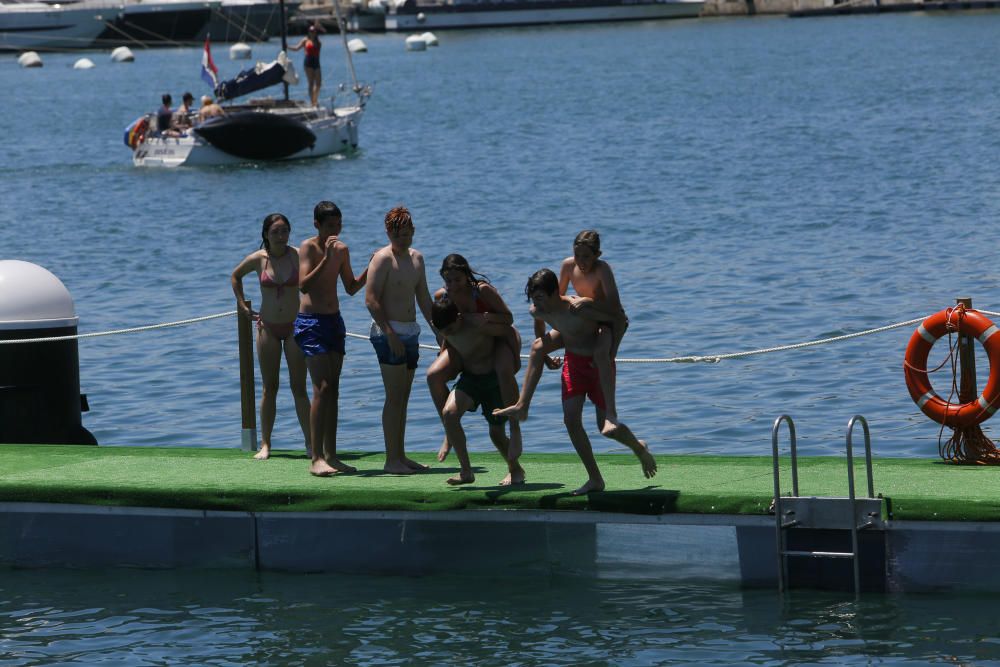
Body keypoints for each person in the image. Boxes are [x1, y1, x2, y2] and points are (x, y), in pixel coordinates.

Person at [493, 269, 655, 496]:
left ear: (554, 294)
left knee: (607, 430)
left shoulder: (577, 308)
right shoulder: (537, 311)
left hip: (597, 366)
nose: (536, 304)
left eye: (540, 298)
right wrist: (547, 354)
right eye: (533, 298)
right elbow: (540, 324)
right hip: (573, 364)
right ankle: (594, 478)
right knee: (570, 419)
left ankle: (637, 446)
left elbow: (620, 319)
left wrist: (610, 351)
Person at [522, 230, 628, 436]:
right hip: (580, 320)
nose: (581, 261)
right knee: (537, 347)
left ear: (597, 254)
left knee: (601, 355)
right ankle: (522, 404)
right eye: (577, 255)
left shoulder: (602, 269)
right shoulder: (568, 265)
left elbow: (615, 308)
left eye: (586, 256)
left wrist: (587, 301)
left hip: (605, 320)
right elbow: (556, 300)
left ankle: (611, 414)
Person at [295, 201, 368, 477]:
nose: (335, 231)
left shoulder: (342, 250)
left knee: (333, 389)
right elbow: (303, 284)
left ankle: (332, 455)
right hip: (311, 323)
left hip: (334, 321)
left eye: (338, 225)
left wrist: (369, 270)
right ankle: (315, 457)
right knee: (321, 388)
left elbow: (350, 288)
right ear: (317, 225)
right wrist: (326, 257)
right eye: (329, 226)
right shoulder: (308, 248)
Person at [231, 213, 312, 461]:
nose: (280, 236)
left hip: (293, 327)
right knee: (270, 387)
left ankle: (311, 444)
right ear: (266, 234)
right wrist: (243, 306)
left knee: (299, 387)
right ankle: (265, 444)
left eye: (284, 231)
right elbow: (235, 276)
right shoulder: (258, 259)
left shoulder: (298, 255)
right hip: (267, 327)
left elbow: (315, 279)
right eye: (275, 231)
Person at [365, 205, 439, 474]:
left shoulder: (417, 259)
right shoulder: (382, 259)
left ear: (414, 232)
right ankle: (390, 460)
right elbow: (371, 301)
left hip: (411, 331)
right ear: (388, 233)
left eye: (407, 235)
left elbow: (424, 299)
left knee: (404, 398)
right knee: (394, 398)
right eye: (398, 236)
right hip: (389, 333)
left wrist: (439, 333)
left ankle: (401, 455)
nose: (403, 240)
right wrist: (390, 334)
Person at [428, 254, 522, 463]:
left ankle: (515, 429)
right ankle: (449, 432)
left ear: (466, 275)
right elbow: (447, 330)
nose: (453, 285)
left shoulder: (481, 291)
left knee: (504, 369)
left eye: (457, 280)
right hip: (466, 343)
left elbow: (508, 319)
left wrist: (486, 317)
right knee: (433, 375)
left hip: (498, 337)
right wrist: (443, 350)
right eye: (448, 280)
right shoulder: (443, 296)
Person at [430, 294, 526, 486]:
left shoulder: (477, 324)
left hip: (494, 381)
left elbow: (508, 332)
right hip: (470, 379)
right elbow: (448, 338)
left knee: (496, 434)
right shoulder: (447, 329)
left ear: (458, 318)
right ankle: (466, 471)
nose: (448, 334)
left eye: (450, 329)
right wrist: (443, 353)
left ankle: (515, 470)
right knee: (449, 414)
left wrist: (514, 362)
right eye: (443, 331)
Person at [289, 23, 323, 107]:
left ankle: (315, 99)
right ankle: (313, 102)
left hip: (316, 61)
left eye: (313, 31)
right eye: (310, 31)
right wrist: (287, 46)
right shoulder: (305, 40)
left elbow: (318, 52)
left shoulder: (318, 42)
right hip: (308, 61)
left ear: (315, 32)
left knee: (318, 84)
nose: (312, 33)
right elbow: (297, 48)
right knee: (311, 83)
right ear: (308, 32)